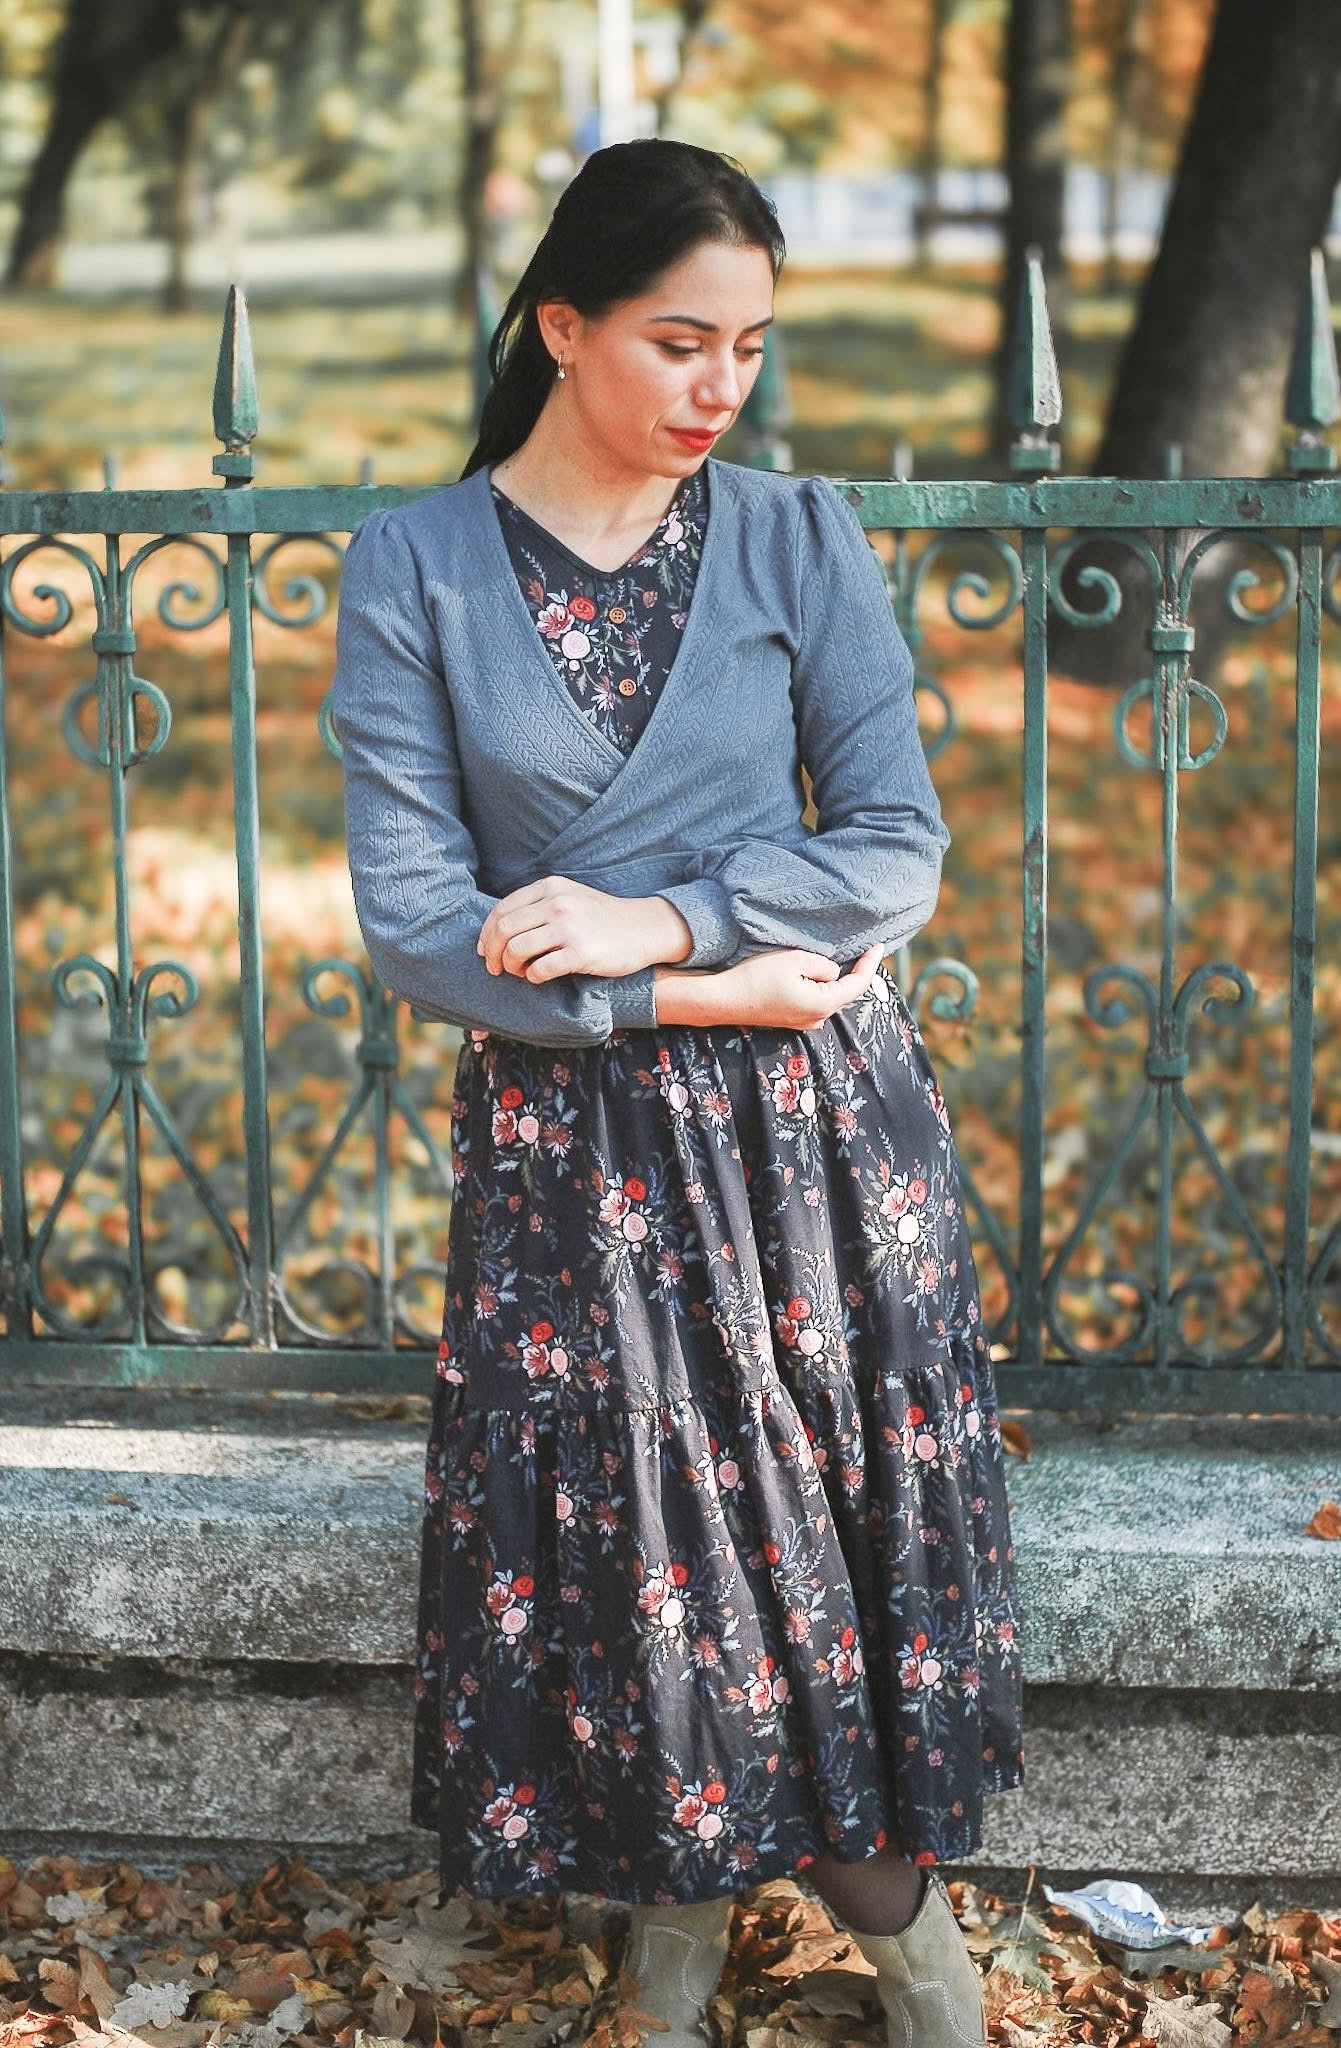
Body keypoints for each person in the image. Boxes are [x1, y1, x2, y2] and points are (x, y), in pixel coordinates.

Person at [331, 137, 1023, 2048]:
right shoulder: (417, 567)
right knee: (659, 1558)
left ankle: (919, 1981)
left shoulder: (796, 536)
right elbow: (416, 926)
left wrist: (657, 915)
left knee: (809, 1558)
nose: (721, 386)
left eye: (749, 345)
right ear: (561, 327)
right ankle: (683, 1921)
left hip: (816, 1149)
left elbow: (894, 847)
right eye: (676, 340)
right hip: (585, 1155)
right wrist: (692, 990)